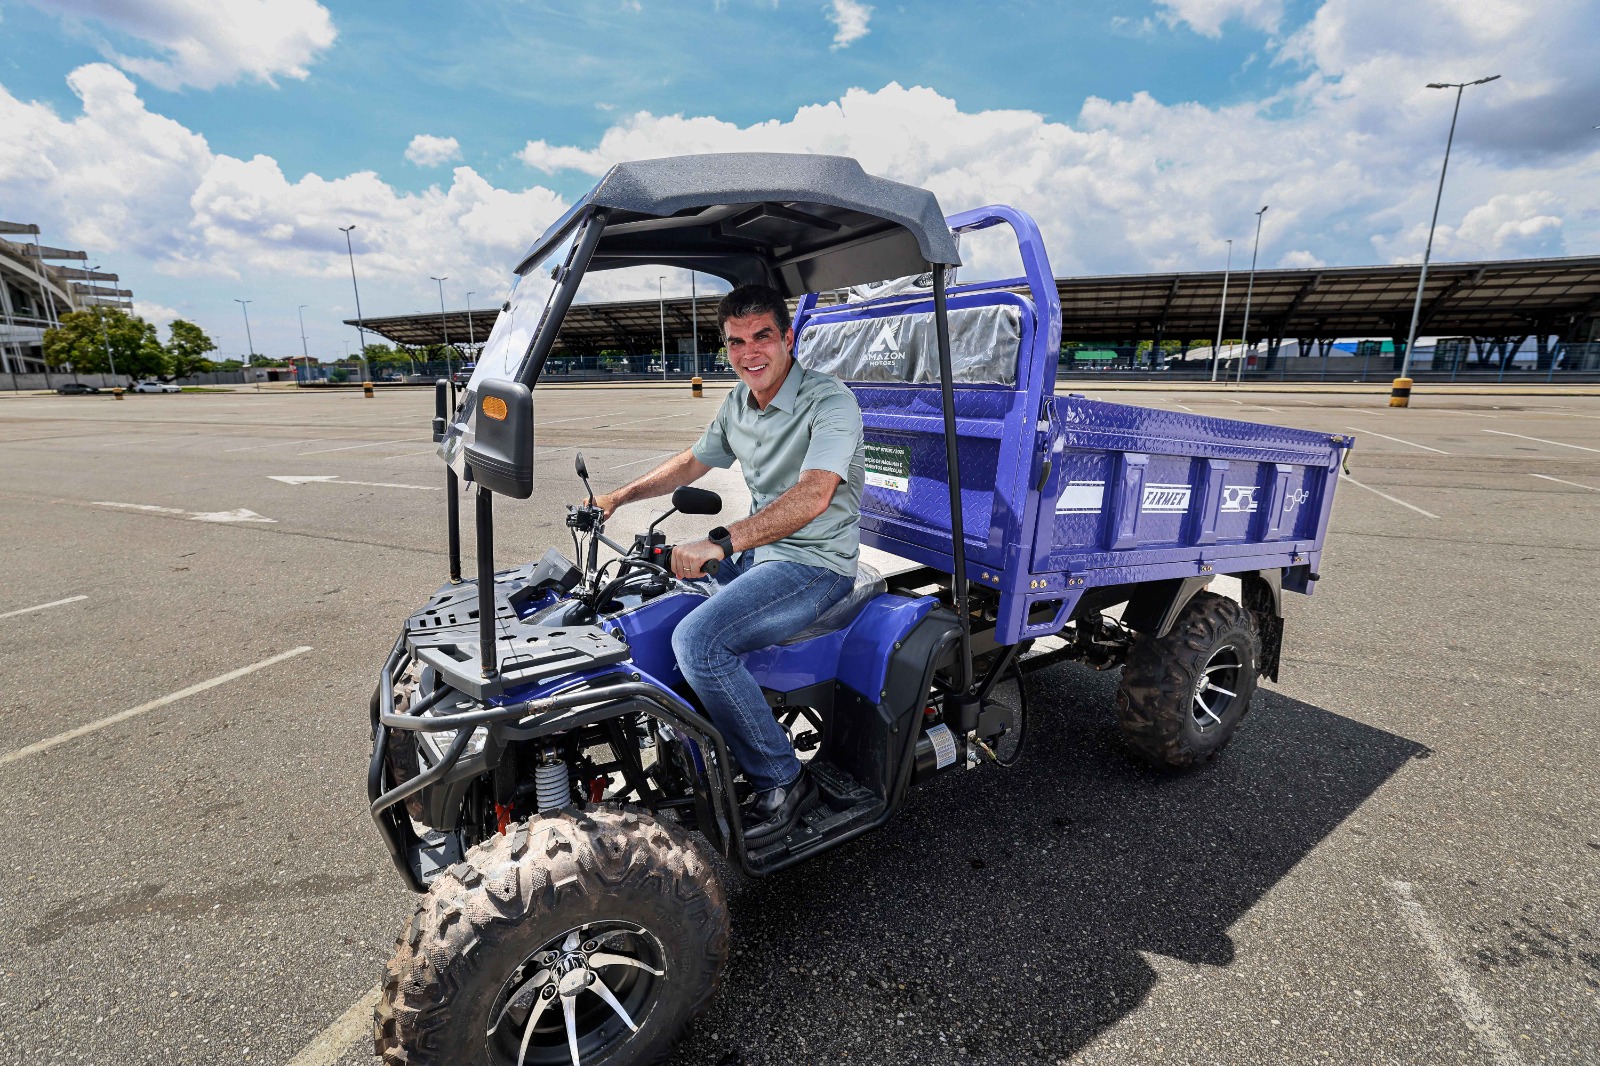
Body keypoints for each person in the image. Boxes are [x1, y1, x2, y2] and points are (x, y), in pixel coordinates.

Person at [594, 283, 865, 845]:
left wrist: (722, 541)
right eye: (737, 342)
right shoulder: (737, 403)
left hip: (816, 565)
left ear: (788, 338)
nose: (750, 353)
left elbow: (814, 495)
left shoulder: (830, 400)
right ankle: (706, 740)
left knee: (700, 641)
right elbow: (692, 463)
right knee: (648, 595)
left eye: (762, 336)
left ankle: (782, 779)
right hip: (763, 556)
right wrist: (619, 497)